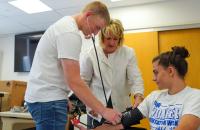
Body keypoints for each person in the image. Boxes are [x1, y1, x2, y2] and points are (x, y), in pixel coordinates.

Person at [24, 1, 122, 130]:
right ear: (88, 15)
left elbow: (57, 71)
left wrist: (63, 97)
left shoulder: (65, 25)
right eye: (97, 27)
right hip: (48, 101)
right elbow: (74, 81)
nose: (96, 33)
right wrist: (104, 111)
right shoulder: (69, 33)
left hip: (44, 99)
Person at [75, 46, 200, 130]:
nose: (153, 78)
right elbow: (123, 121)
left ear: (171, 71)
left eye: (156, 72)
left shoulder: (195, 97)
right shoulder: (155, 97)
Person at [80, 19, 144, 129]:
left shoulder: (128, 53)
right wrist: (90, 106)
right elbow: (83, 82)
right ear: (101, 37)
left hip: (121, 109)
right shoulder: (90, 54)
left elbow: (135, 78)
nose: (112, 42)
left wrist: (138, 96)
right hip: (97, 111)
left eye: (115, 39)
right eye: (108, 38)